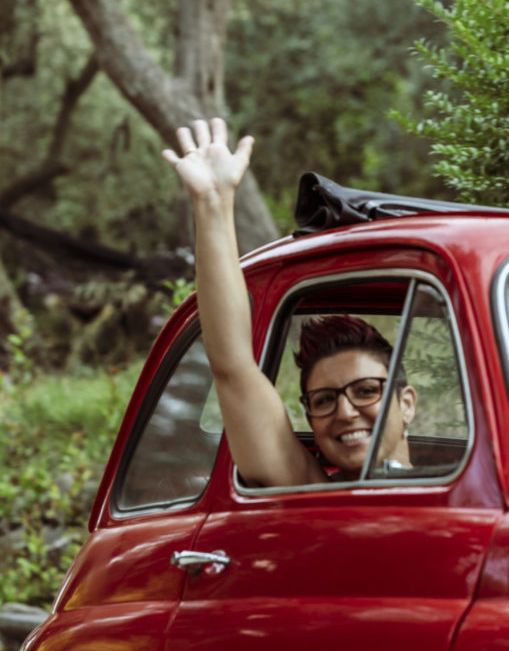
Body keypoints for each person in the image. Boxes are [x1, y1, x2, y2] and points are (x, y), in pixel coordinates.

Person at [162, 117, 416, 487]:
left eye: (365, 391)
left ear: (406, 403)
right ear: (310, 418)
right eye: (325, 400)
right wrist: (212, 204)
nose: (345, 412)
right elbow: (233, 367)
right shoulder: (309, 489)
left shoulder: (472, 495)